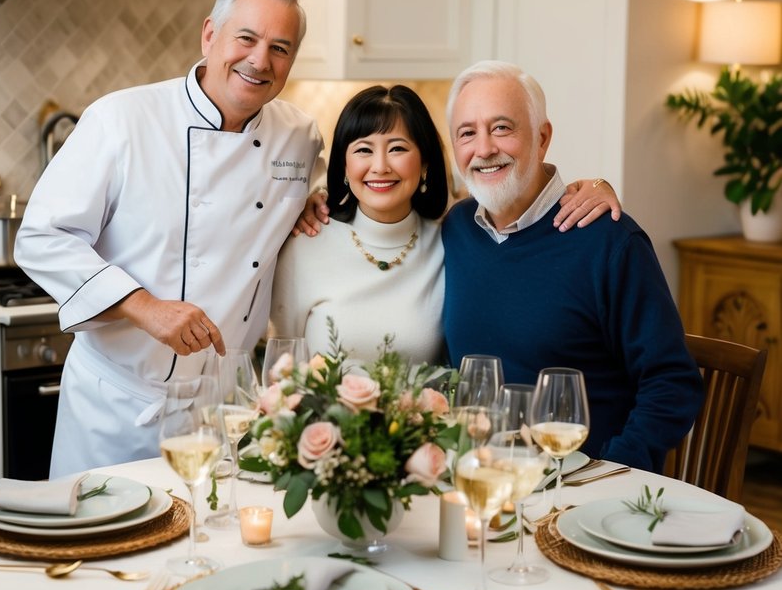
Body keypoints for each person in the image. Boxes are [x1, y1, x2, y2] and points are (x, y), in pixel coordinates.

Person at [15, 0, 326, 475]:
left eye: (280, 48)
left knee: (207, 547)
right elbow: (41, 237)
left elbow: (314, 200)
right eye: (245, 38)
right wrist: (145, 307)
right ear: (210, 35)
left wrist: (315, 200)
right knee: (101, 550)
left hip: (226, 415)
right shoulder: (122, 119)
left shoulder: (299, 136)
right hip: (117, 409)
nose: (259, 60)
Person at [441, 60, 704, 472]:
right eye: (467, 133)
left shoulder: (608, 240)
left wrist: (611, 474)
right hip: (478, 478)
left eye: (502, 128)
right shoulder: (456, 229)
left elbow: (672, 382)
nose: (485, 148)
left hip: (578, 489)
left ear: (542, 137)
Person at [270, 84, 622, 365]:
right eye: (363, 150)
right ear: (344, 167)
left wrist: (596, 186)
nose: (379, 166)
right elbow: (281, 369)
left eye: (397, 148)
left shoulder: (455, 234)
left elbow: (518, 199)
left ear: (424, 164)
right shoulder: (306, 242)